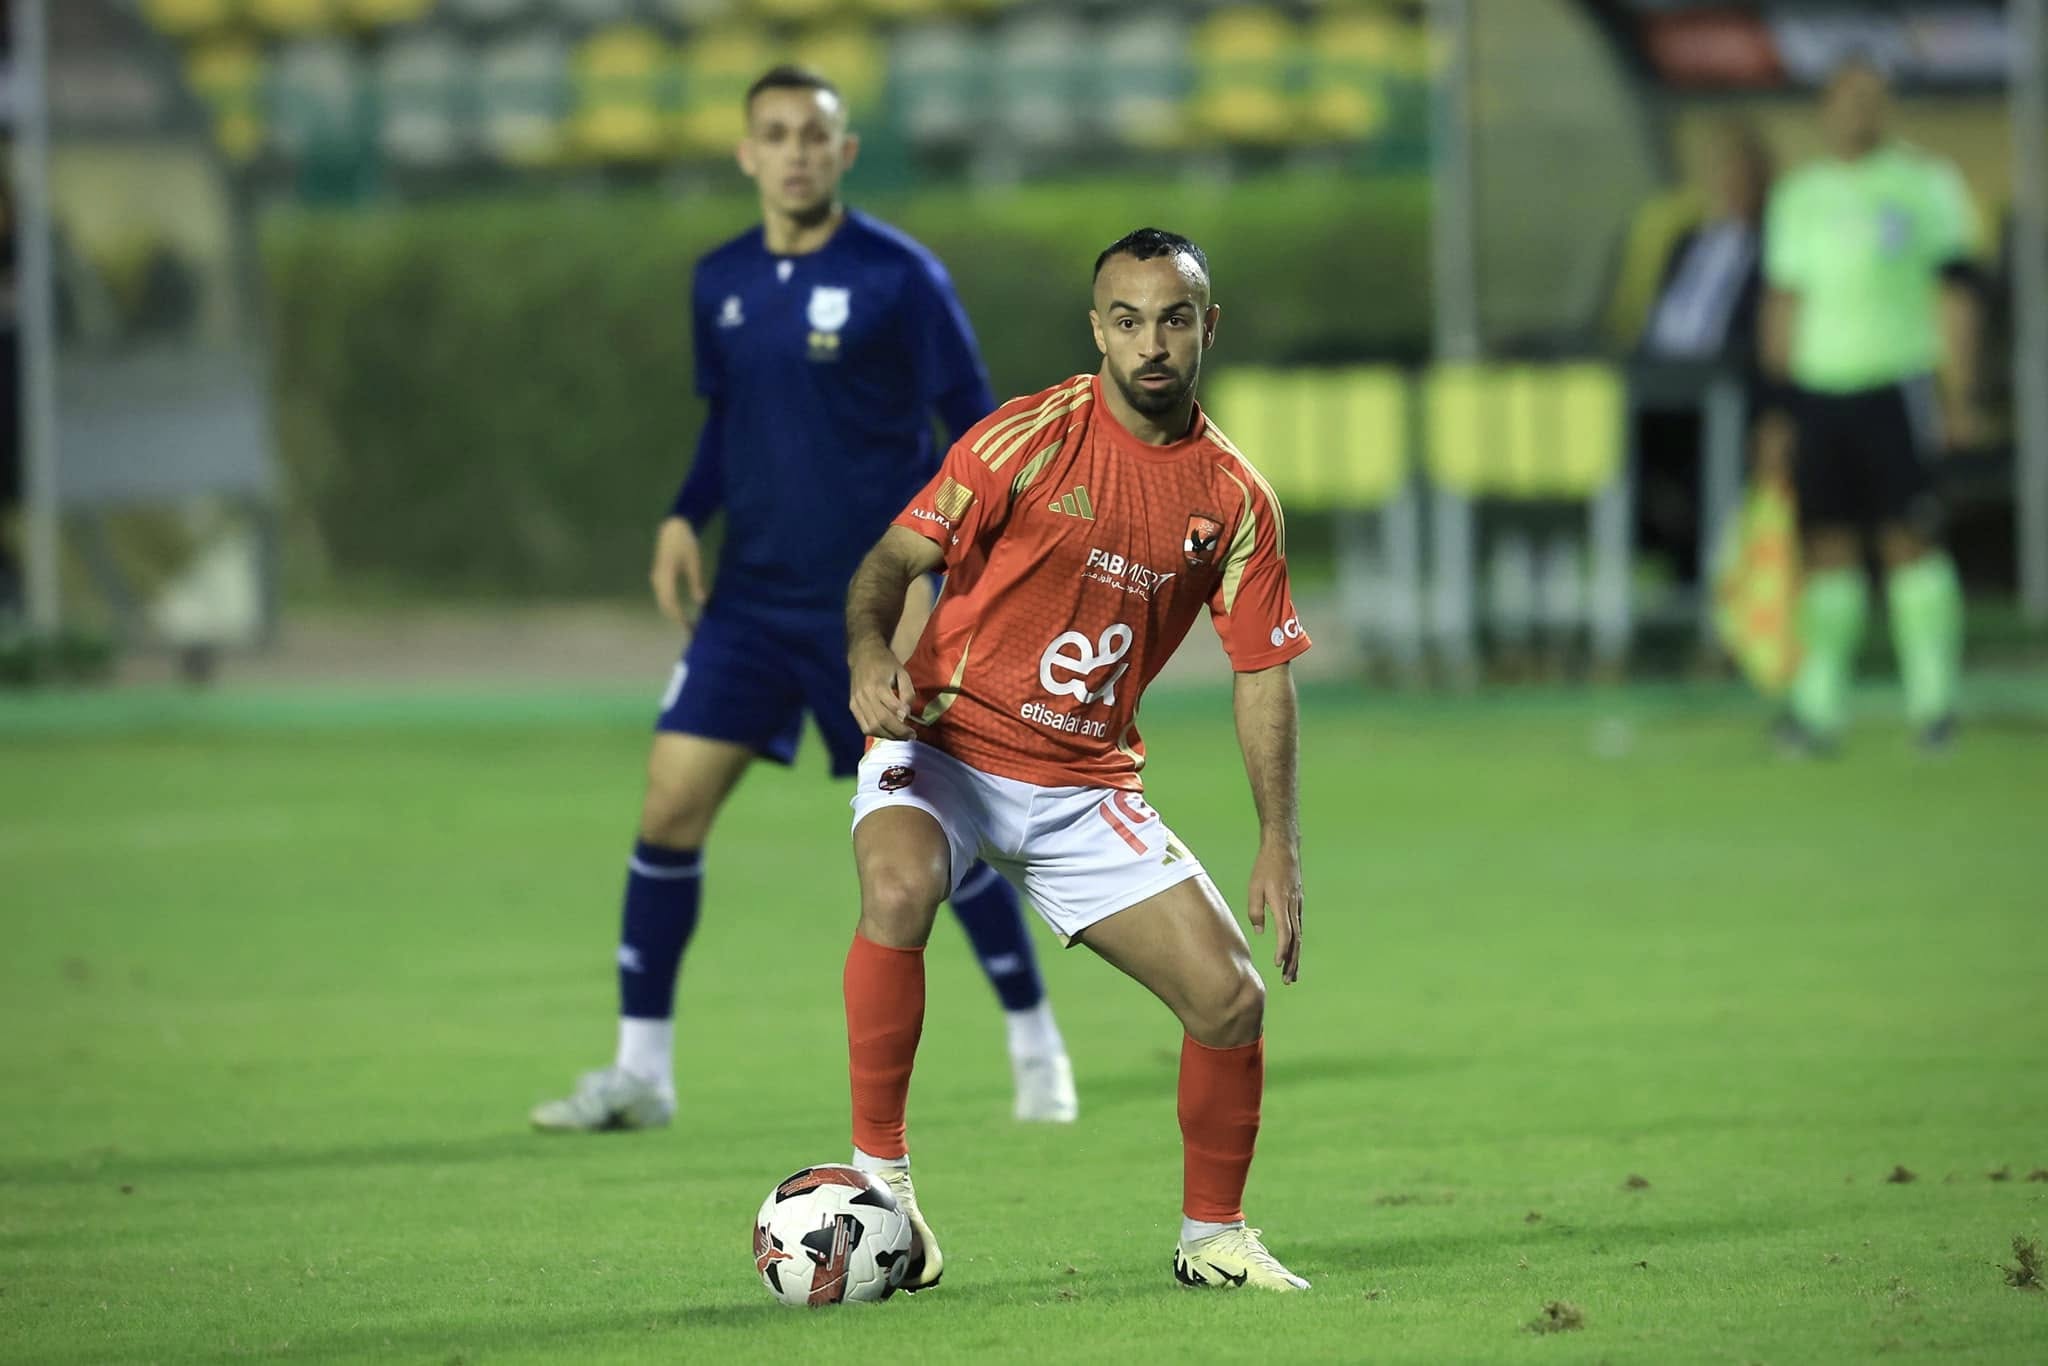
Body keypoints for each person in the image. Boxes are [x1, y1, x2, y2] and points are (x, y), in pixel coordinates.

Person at [532, 66, 1076, 1133]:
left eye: (811, 135)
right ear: (745, 154)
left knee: (932, 835)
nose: (792, 151)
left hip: (868, 617)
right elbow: (726, 418)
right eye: (772, 134)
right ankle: (640, 1073)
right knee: (668, 804)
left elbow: (973, 434)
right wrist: (685, 512)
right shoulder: (720, 279)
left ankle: (1035, 1044)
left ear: (844, 152)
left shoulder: (899, 278)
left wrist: (946, 585)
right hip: (749, 605)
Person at [836, 228, 1312, 1293]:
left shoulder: (1234, 499)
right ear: (1096, 328)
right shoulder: (1023, 439)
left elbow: (1258, 673)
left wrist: (1276, 841)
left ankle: (1213, 1240)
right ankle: (882, 1186)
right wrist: (873, 653)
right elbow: (890, 560)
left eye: (1174, 319)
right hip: (947, 746)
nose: (1151, 343)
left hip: (1084, 784)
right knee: (899, 884)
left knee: (1230, 999)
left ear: (1207, 327)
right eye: (1128, 319)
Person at [1760, 57, 1986, 753]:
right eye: (1847, 99)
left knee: (1908, 541)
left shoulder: (1924, 185)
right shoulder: (1800, 194)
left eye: (1871, 99)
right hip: (1822, 392)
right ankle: (1820, 709)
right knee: (1826, 549)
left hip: (1898, 383)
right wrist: (1778, 409)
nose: (1859, 112)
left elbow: (1956, 295)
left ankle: (1934, 705)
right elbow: (1783, 304)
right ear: (1826, 108)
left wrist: (1959, 394)